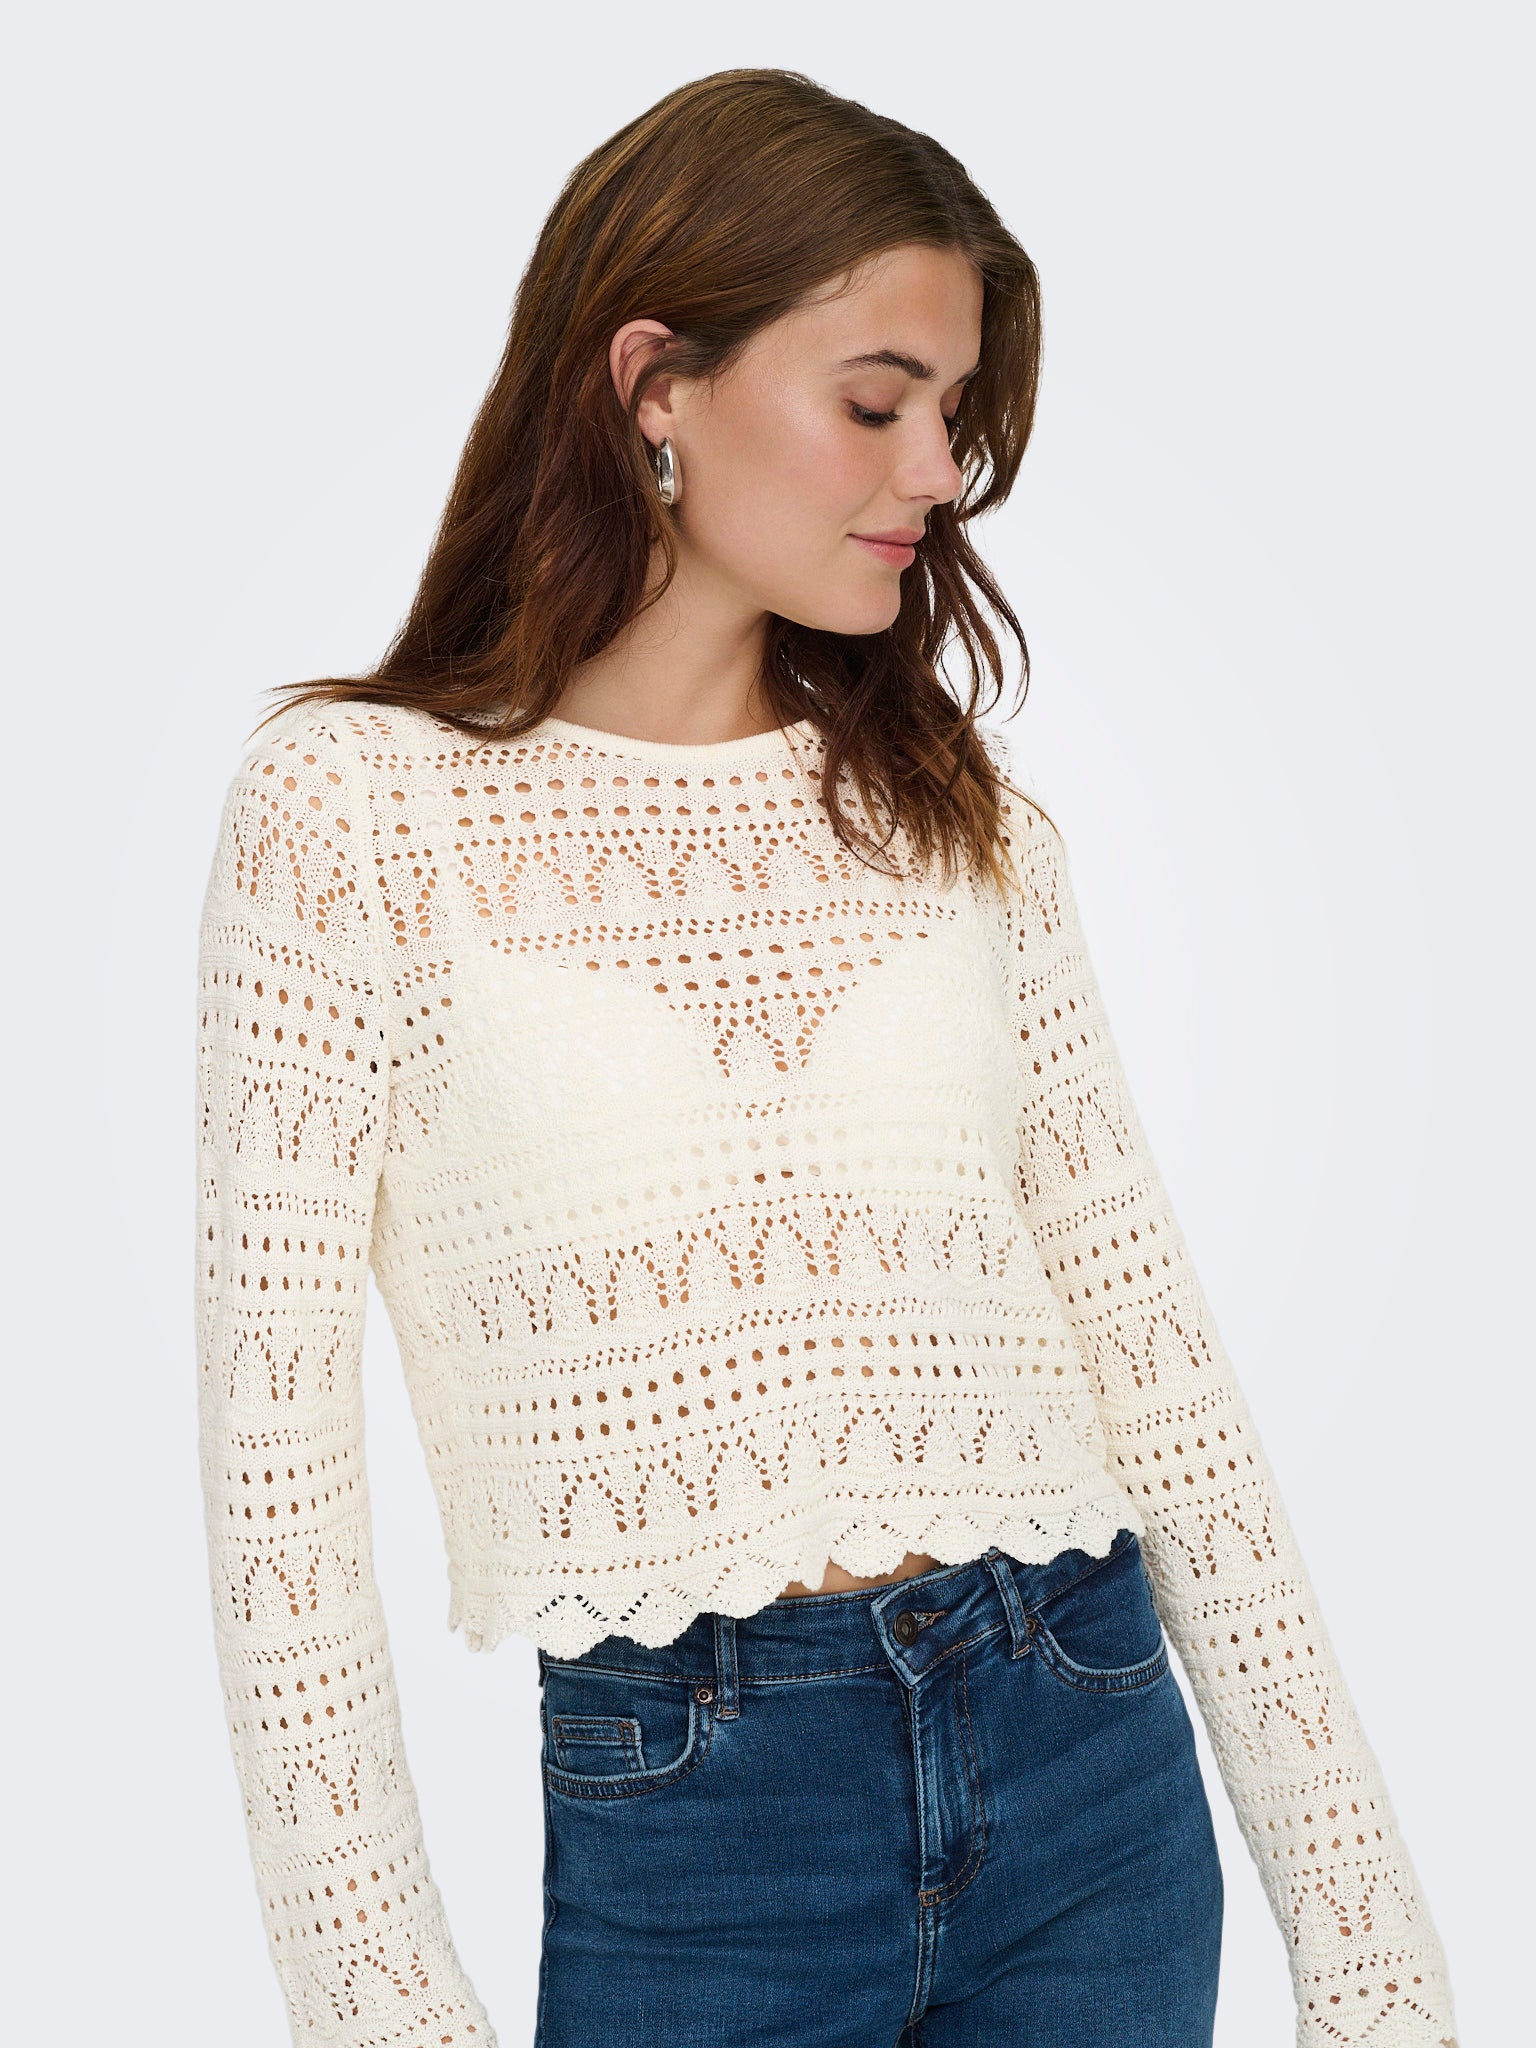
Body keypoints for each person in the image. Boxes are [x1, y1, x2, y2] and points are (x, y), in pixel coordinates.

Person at [193, 67, 1457, 2048]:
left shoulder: (967, 824)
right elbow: (277, 1486)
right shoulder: (354, 813)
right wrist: (380, 2007)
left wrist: (1374, 1955)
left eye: (955, 414)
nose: (936, 470)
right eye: (878, 402)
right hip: (701, 1818)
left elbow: (1157, 1368)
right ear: (653, 385)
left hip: (1087, 1747)